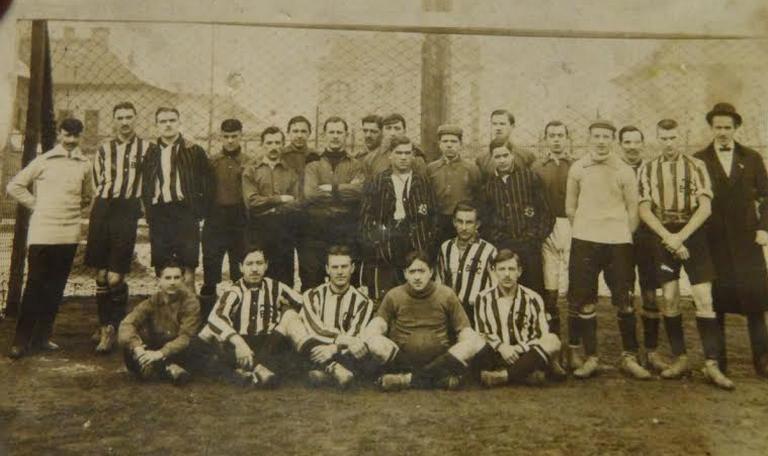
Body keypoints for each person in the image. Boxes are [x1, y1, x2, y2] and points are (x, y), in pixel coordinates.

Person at [638, 118, 732, 390]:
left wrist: (681, 237)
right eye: (663, 138)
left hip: (693, 233)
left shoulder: (696, 165)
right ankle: (680, 358)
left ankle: (711, 363)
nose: (669, 144)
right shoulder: (648, 168)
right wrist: (668, 237)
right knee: (669, 297)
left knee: (703, 296)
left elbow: (705, 208)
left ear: (681, 138)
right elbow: (644, 209)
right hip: (663, 235)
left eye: (673, 138)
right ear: (657, 138)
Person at [565, 120, 650, 380]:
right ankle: (591, 357)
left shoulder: (624, 170)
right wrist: (587, 229)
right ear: (589, 138)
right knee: (585, 300)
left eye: (606, 137)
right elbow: (570, 207)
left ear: (613, 140)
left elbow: (633, 210)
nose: (601, 141)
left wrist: (621, 235)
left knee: (625, 300)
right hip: (585, 241)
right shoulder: (578, 168)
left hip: (618, 243)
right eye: (597, 136)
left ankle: (629, 357)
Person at [7, 118, 92, 359]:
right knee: (35, 285)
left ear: (81, 137)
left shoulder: (85, 164)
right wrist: (37, 205)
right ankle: (20, 340)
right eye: (67, 135)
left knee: (55, 287)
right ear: (59, 135)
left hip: (69, 233)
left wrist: (70, 210)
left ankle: (42, 337)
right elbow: (14, 186)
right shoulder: (43, 160)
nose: (71, 140)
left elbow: (88, 195)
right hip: (43, 232)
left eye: (75, 136)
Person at [694, 102, 768, 379]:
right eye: (718, 127)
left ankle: (763, 360)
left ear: (736, 128)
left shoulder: (752, 158)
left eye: (727, 127)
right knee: (716, 302)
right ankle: (718, 363)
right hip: (713, 241)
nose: (723, 132)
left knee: (756, 302)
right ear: (711, 128)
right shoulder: (699, 159)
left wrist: (764, 228)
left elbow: (767, 196)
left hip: (747, 240)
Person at [361, 251, 486, 391]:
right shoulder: (394, 295)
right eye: (412, 272)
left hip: (441, 361)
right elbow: (379, 322)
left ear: (431, 272)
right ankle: (436, 380)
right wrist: (373, 331)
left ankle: (407, 380)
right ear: (405, 274)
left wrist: (469, 341)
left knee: (473, 341)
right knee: (374, 341)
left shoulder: (446, 294)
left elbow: (464, 329)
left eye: (421, 271)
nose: (417, 277)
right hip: (401, 361)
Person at [85, 102, 153, 354]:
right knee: (101, 276)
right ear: (114, 120)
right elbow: (97, 182)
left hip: (127, 210)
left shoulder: (147, 149)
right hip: (103, 209)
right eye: (120, 117)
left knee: (115, 277)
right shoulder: (104, 148)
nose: (124, 122)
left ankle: (116, 324)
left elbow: (150, 182)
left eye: (128, 117)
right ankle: (107, 326)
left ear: (135, 119)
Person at [198, 246, 303, 387]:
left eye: (259, 263)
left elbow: (302, 303)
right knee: (211, 338)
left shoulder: (276, 287)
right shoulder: (234, 291)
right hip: (242, 342)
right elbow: (216, 317)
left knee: (290, 349)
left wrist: (285, 310)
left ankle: (246, 373)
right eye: (249, 264)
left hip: (268, 343)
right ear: (241, 267)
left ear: (266, 265)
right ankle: (257, 371)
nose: (254, 269)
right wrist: (239, 343)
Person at [278, 245, 375, 388]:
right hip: (317, 349)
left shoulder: (364, 302)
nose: (340, 272)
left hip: (343, 354)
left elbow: (355, 336)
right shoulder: (312, 295)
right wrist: (335, 343)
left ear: (352, 268)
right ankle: (333, 370)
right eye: (335, 267)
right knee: (293, 323)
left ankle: (325, 374)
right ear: (327, 269)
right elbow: (315, 329)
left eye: (344, 267)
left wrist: (333, 348)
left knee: (358, 347)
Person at [142, 107, 213, 291]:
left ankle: (190, 309)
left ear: (179, 123)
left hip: (185, 213)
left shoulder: (194, 150)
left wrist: (199, 211)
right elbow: (144, 184)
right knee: (163, 271)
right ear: (156, 125)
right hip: (159, 214)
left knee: (188, 270)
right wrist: (148, 211)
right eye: (163, 121)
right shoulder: (149, 152)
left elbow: (207, 182)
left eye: (172, 120)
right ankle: (166, 309)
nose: (168, 125)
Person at [360, 135, 437, 300]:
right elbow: (367, 216)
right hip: (387, 242)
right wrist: (376, 243)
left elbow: (432, 216)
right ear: (390, 155)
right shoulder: (378, 181)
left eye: (407, 153)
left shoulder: (422, 181)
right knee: (386, 294)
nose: (403, 157)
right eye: (399, 153)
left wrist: (425, 243)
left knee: (415, 293)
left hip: (414, 242)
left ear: (413, 155)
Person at [473, 249, 563, 386]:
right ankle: (523, 374)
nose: (507, 275)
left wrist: (518, 349)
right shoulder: (483, 298)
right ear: (494, 271)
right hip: (496, 354)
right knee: (474, 343)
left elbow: (541, 334)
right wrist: (502, 348)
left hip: (525, 354)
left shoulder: (533, 298)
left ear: (519, 271)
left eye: (511, 269)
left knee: (553, 340)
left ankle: (503, 376)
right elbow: (482, 332)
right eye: (502, 269)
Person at [618, 125, 665, 372]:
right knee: (625, 295)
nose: (632, 147)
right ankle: (629, 354)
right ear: (620, 145)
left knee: (650, 294)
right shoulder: (614, 169)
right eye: (627, 142)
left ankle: (651, 351)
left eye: (636, 142)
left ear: (643, 144)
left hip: (648, 239)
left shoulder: (652, 169)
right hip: (621, 238)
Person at [481, 138, 554, 298]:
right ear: (492, 158)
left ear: (512, 155)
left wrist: (535, 237)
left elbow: (546, 212)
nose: (502, 160)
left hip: (529, 244)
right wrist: (496, 238)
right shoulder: (488, 185)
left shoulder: (529, 178)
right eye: (497, 156)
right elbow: (485, 218)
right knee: (506, 287)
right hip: (503, 245)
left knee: (533, 288)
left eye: (505, 155)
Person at [301, 116, 365, 288]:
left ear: (346, 135)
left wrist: (332, 188)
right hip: (318, 229)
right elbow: (311, 194)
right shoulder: (313, 164)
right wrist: (346, 189)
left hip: (346, 229)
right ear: (324, 135)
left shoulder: (356, 165)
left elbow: (360, 192)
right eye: (331, 132)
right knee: (313, 280)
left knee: (347, 279)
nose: (335, 136)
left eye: (339, 132)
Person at [118, 260, 202, 385]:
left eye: (176, 278)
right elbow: (127, 324)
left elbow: (186, 337)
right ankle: (167, 367)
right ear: (159, 281)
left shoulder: (191, 302)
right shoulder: (153, 301)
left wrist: (160, 353)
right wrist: (138, 348)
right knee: (129, 347)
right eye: (167, 278)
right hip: (157, 345)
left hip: (179, 349)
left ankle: (160, 367)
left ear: (183, 280)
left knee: (194, 348)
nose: (172, 282)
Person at [531, 120, 573, 362]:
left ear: (567, 138)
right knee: (550, 287)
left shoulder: (576, 165)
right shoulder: (537, 167)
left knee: (573, 287)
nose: (556, 140)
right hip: (547, 227)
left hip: (573, 225)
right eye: (552, 136)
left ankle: (573, 347)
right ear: (545, 139)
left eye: (560, 135)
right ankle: (553, 345)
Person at [199, 118, 248, 318]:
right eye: (226, 136)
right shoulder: (212, 162)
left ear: (241, 136)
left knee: (240, 271)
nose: (230, 140)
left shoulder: (249, 162)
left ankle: (241, 316)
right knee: (210, 271)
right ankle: (207, 319)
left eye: (234, 136)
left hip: (240, 220)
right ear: (220, 137)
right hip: (216, 218)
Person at [242, 126, 300, 287]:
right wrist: (279, 199)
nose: (273, 147)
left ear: (283, 144)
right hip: (259, 228)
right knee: (259, 272)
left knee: (285, 275)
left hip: (284, 228)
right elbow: (252, 202)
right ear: (262, 145)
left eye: (277, 142)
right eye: (269, 143)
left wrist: (271, 206)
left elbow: (296, 202)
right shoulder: (251, 170)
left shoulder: (290, 171)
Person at [436, 201, 497, 325]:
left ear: (477, 224)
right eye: (460, 221)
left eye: (469, 222)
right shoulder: (446, 248)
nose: (464, 228)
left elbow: (496, 288)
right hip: (450, 314)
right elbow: (439, 282)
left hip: (477, 314)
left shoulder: (489, 251)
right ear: (454, 222)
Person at [427, 124, 481, 244]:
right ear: (439, 144)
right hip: (439, 222)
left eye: (453, 141)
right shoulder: (431, 169)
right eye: (445, 141)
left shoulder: (471, 169)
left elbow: (478, 197)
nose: (449, 145)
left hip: (463, 222)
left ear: (460, 144)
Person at [361, 113, 427, 180]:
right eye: (388, 128)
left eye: (397, 128)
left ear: (404, 131)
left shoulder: (416, 159)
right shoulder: (371, 159)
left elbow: (421, 183)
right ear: (382, 131)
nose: (392, 133)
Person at [477, 109, 537, 180]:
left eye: (502, 124)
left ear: (512, 126)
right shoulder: (482, 159)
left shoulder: (526, 156)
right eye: (494, 124)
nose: (498, 128)